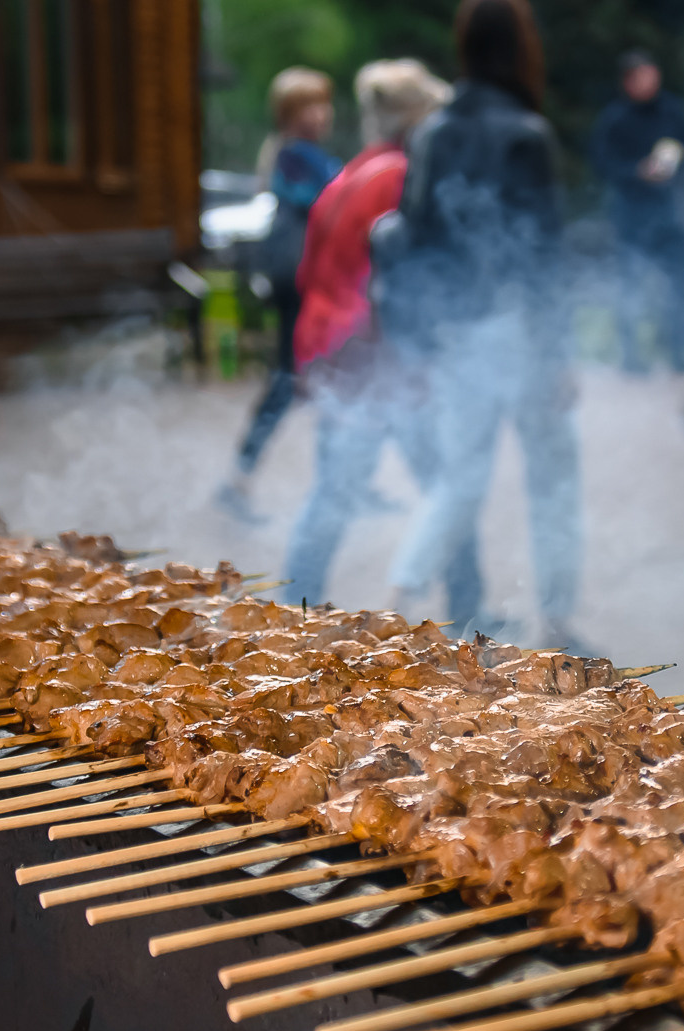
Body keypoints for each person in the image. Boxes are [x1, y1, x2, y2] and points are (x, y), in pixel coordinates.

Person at [372, 0, 584, 647]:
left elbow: (414, 238)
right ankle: (555, 618)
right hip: (515, 329)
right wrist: (558, 355)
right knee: (552, 471)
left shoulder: (433, 132)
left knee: (462, 475)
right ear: (520, 46)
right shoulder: (526, 132)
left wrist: (429, 329)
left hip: (457, 332)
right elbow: (546, 257)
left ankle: (399, 598)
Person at [281, 61, 482, 617]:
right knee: (451, 483)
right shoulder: (400, 178)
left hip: (332, 349)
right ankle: (471, 614)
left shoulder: (350, 174)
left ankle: (289, 611)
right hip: (378, 353)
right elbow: (401, 279)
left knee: (333, 493)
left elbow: (310, 274)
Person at [214, 66, 343, 524]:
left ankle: (344, 482)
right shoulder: (293, 157)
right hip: (301, 285)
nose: (321, 112)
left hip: (307, 284)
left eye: (323, 102)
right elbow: (332, 203)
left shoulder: (301, 156)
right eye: (309, 104)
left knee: (319, 380)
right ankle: (236, 481)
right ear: (289, 114)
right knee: (290, 382)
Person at [590, 51, 684, 374]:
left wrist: (678, 159)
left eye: (653, 75)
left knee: (678, 285)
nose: (650, 82)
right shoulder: (615, 119)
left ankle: (679, 354)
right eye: (642, 76)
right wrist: (636, 171)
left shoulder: (673, 110)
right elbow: (602, 164)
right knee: (630, 286)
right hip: (631, 214)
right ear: (627, 81)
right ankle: (632, 360)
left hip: (669, 211)